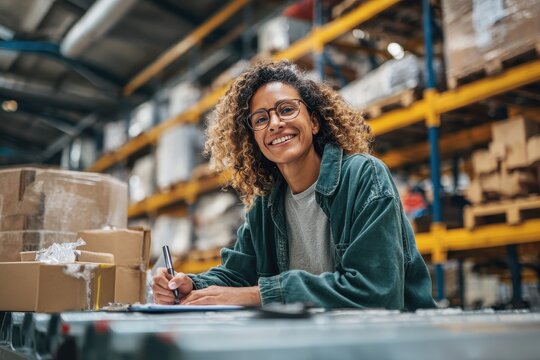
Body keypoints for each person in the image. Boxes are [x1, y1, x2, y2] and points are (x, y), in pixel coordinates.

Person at [152, 60, 436, 310]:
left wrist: (261, 295)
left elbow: (376, 292)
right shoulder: (266, 202)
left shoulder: (363, 176)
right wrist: (192, 283)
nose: (275, 123)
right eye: (261, 119)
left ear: (313, 121)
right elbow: (237, 275)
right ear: (253, 139)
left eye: (286, 110)